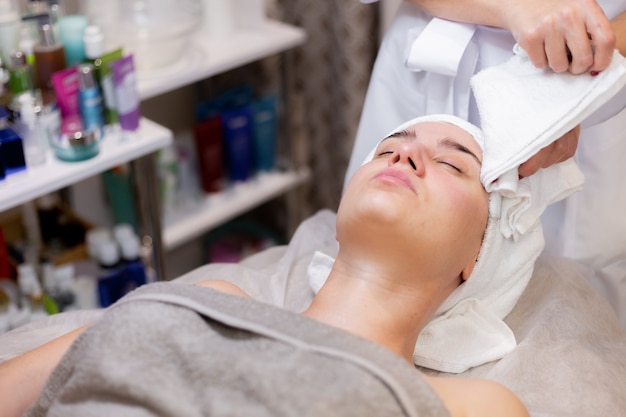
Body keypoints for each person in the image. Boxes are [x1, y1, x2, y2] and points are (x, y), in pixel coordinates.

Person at [0, 118, 529, 417]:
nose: (404, 157)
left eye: (452, 163)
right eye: (391, 146)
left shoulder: (476, 406)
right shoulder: (212, 295)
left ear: (475, 259)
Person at [348, 0, 626, 323]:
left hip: (586, 76)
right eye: (387, 152)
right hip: (426, 61)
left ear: (472, 266)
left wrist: (582, 75)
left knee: (564, 314)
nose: (404, 154)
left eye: (453, 165)